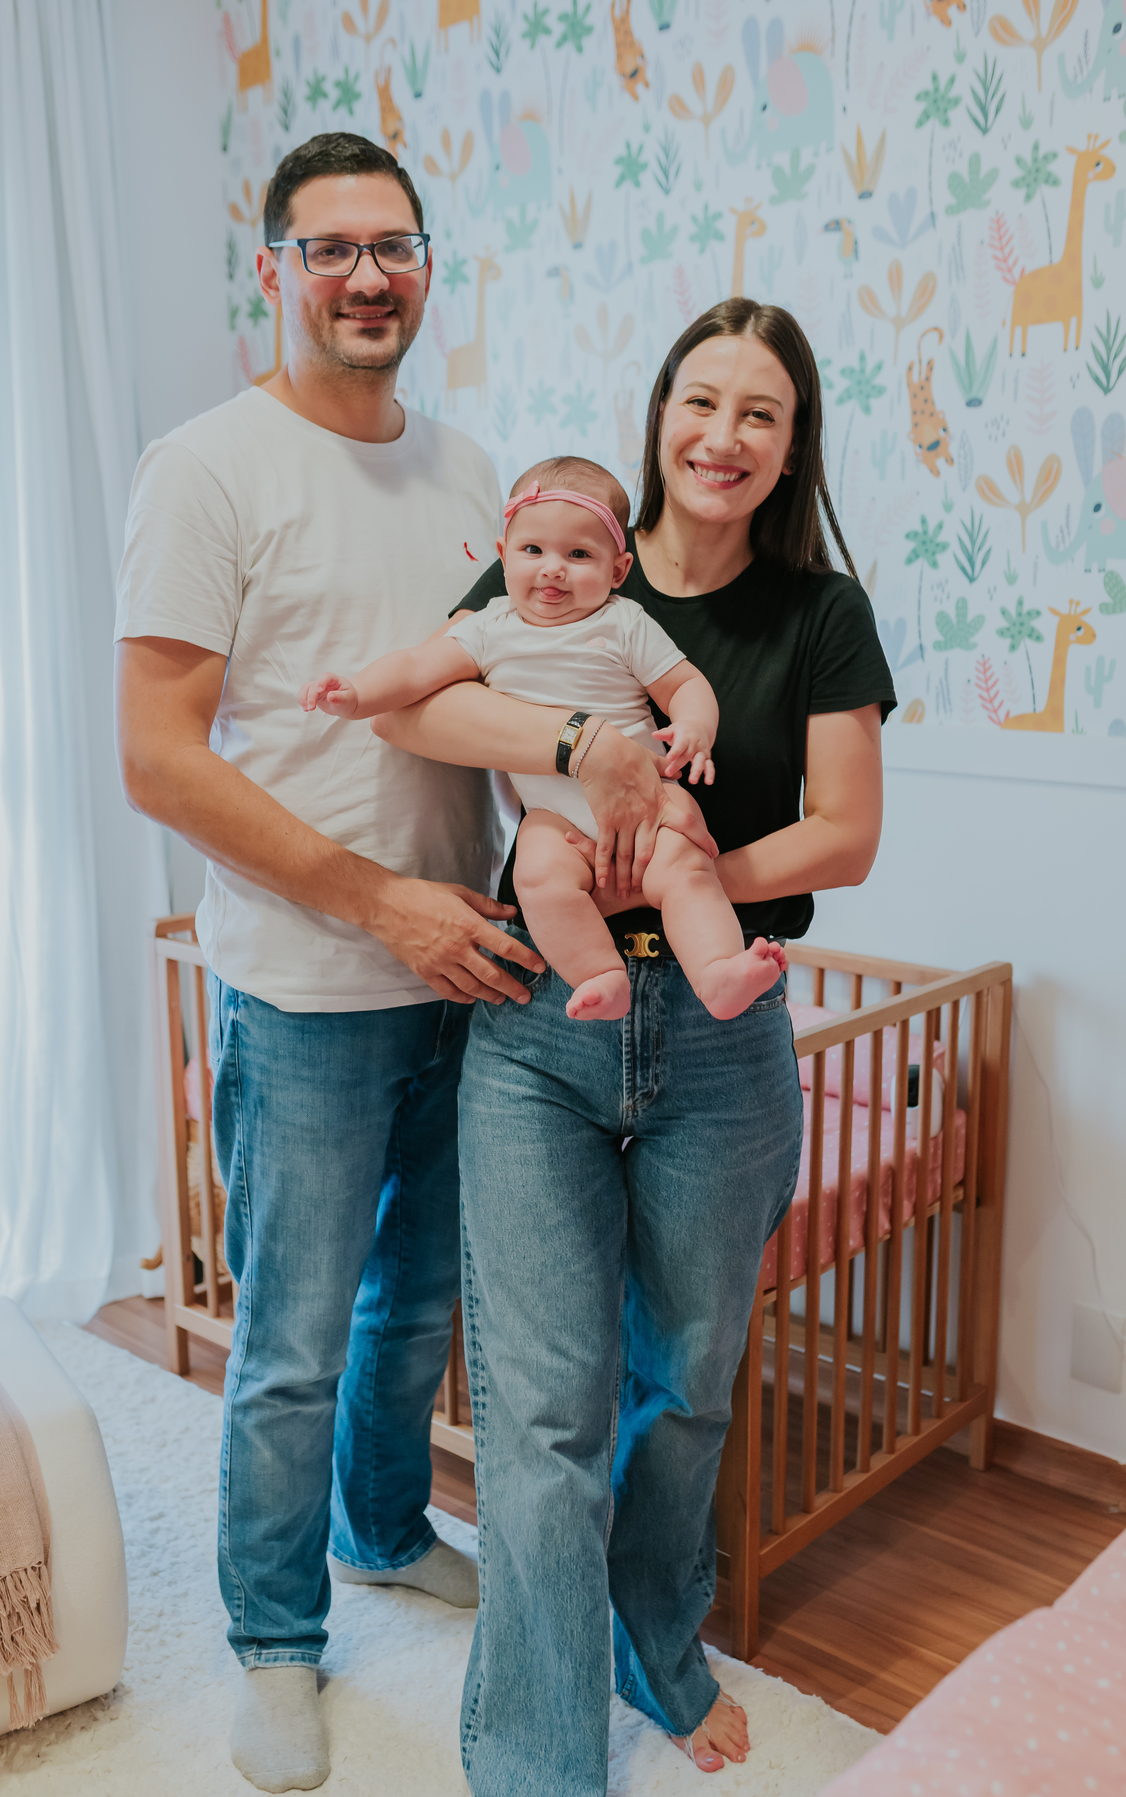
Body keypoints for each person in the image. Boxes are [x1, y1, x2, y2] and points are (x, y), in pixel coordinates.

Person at [372, 298, 897, 1793]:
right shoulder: (552, 564)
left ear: (792, 448)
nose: (723, 436)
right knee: (542, 1415)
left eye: (762, 414)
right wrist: (574, 756)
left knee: (689, 1383)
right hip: (542, 1019)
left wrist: (671, 865)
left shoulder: (817, 612)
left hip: (719, 1037)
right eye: (701, 400)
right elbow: (426, 711)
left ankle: (655, 1645)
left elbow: (846, 834)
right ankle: (538, 1759)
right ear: (659, 412)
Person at [113, 132, 552, 1795]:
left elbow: (498, 695)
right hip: (308, 978)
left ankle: (380, 1527)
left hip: (471, 966)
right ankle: (275, 1639)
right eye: (332, 247)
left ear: (427, 266)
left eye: (397, 244)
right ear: (277, 271)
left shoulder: (469, 468)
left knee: (418, 1298)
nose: (369, 274)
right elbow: (161, 757)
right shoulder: (208, 467)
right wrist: (379, 902)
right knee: (290, 1334)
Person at [299, 457, 787, 1023]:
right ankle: (600, 975)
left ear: (617, 568)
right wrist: (356, 692)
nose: (552, 569)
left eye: (579, 555)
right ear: (503, 554)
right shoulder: (488, 627)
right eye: (533, 551)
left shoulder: (621, 623)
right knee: (537, 877)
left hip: (648, 795)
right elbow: (414, 669)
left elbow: (685, 684)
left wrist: (696, 729)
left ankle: (718, 972)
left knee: (685, 870)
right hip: (554, 818)